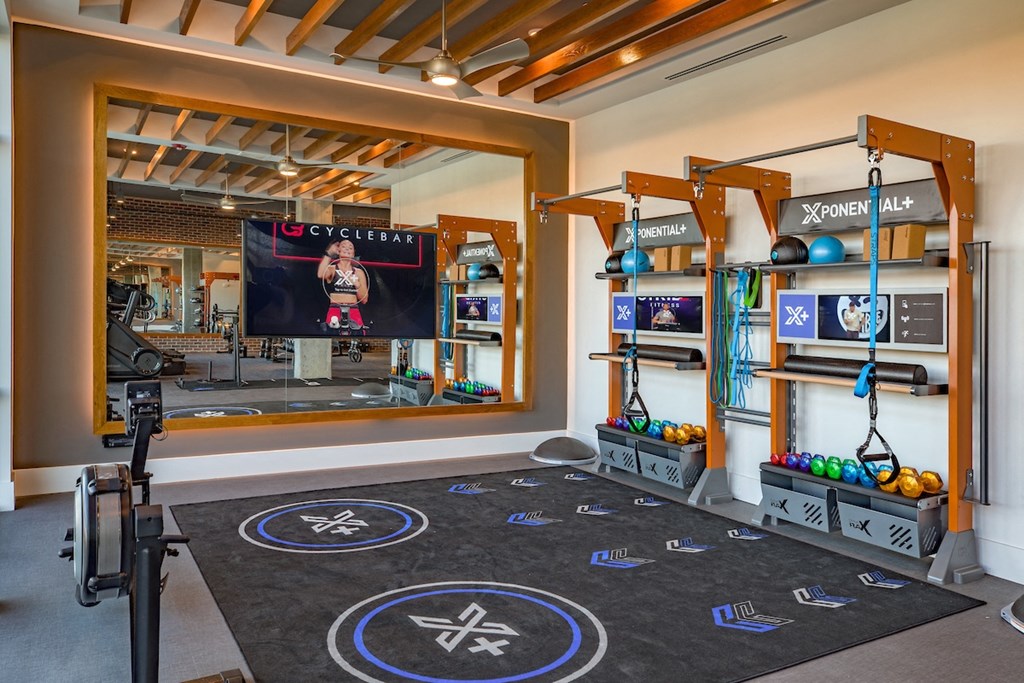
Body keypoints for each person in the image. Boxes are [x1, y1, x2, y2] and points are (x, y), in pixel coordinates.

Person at [318, 238, 369, 333]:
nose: (347, 249)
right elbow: (321, 274)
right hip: (334, 308)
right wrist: (329, 253)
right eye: (344, 247)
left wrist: (357, 285)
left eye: (350, 248)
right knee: (332, 333)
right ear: (338, 251)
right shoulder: (332, 269)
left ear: (353, 253)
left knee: (358, 334)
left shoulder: (358, 272)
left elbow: (364, 299)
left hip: (353, 310)